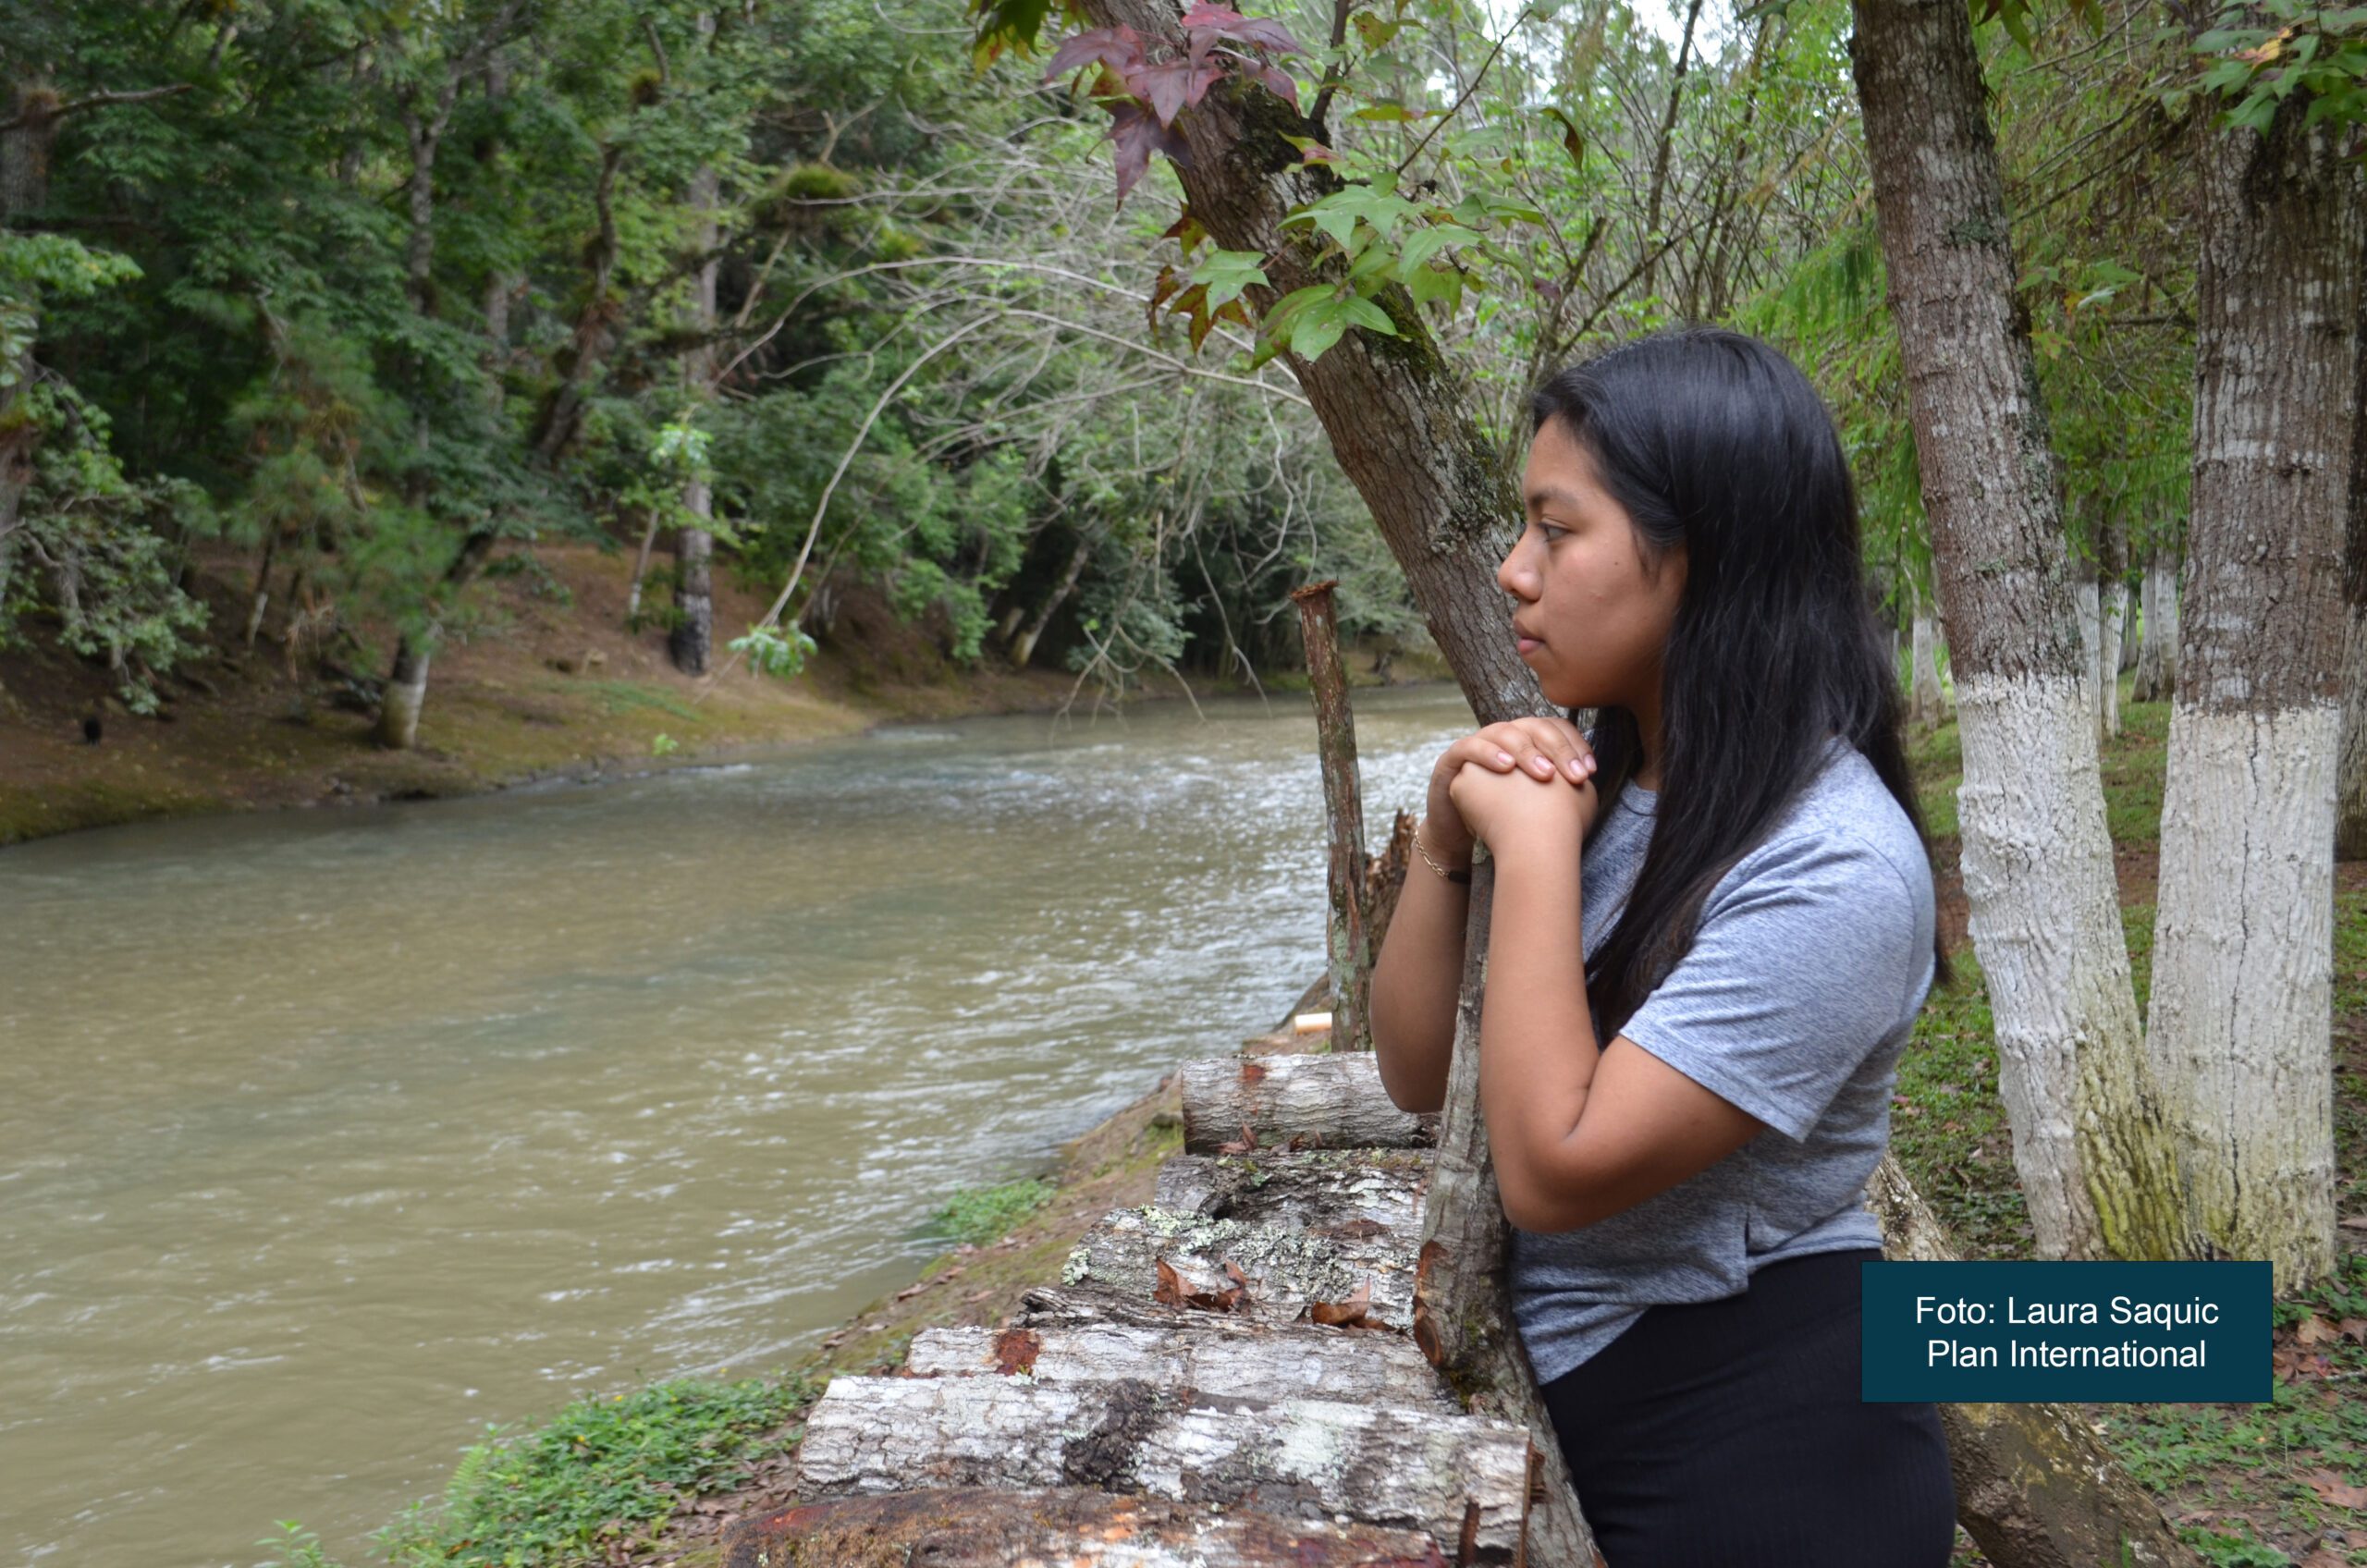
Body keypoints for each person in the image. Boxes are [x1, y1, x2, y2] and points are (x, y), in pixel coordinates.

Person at [1367, 326, 1957, 1568]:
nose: (1513, 571)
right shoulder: (1616, 774)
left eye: (1557, 529)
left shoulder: (1835, 867)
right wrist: (1447, 841)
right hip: (1598, 1403)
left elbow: (1556, 1172)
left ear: (1699, 553)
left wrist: (1531, 857)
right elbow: (1420, 1078)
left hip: (1763, 1454)